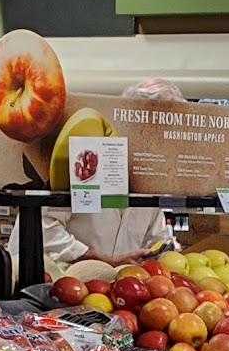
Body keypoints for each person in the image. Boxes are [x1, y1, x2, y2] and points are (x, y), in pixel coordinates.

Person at [20, 77, 180, 279]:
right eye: (151, 130)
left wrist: (166, 251)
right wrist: (100, 260)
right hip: (61, 283)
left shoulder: (153, 173)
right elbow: (43, 227)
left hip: (121, 290)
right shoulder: (84, 155)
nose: (157, 141)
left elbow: (155, 236)